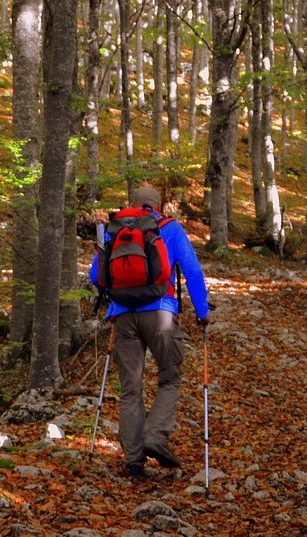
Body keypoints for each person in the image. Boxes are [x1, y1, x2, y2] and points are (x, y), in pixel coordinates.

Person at [90, 185, 211, 479]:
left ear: (133, 204)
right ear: (159, 205)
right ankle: (155, 436)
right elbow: (192, 270)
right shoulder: (169, 228)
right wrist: (202, 311)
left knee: (131, 388)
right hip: (161, 314)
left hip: (123, 315)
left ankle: (133, 460)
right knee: (169, 377)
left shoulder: (114, 229)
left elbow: (96, 275)